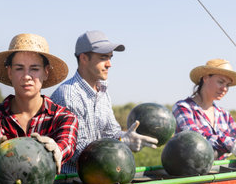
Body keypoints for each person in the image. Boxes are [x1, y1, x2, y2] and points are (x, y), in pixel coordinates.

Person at [51, 30, 158, 173]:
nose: (109, 64)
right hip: (70, 182)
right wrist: (121, 143)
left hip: (99, 175)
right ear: (83, 58)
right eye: (103, 57)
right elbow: (77, 151)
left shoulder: (102, 91)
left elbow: (110, 132)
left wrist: (124, 137)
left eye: (110, 57)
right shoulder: (69, 94)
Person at [0, 33, 79, 175]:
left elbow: (66, 145)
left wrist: (56, 150)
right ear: (9, 72)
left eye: (34, 69)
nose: (26, 76)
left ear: (45, 73)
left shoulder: (65, 117)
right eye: (19, 68)